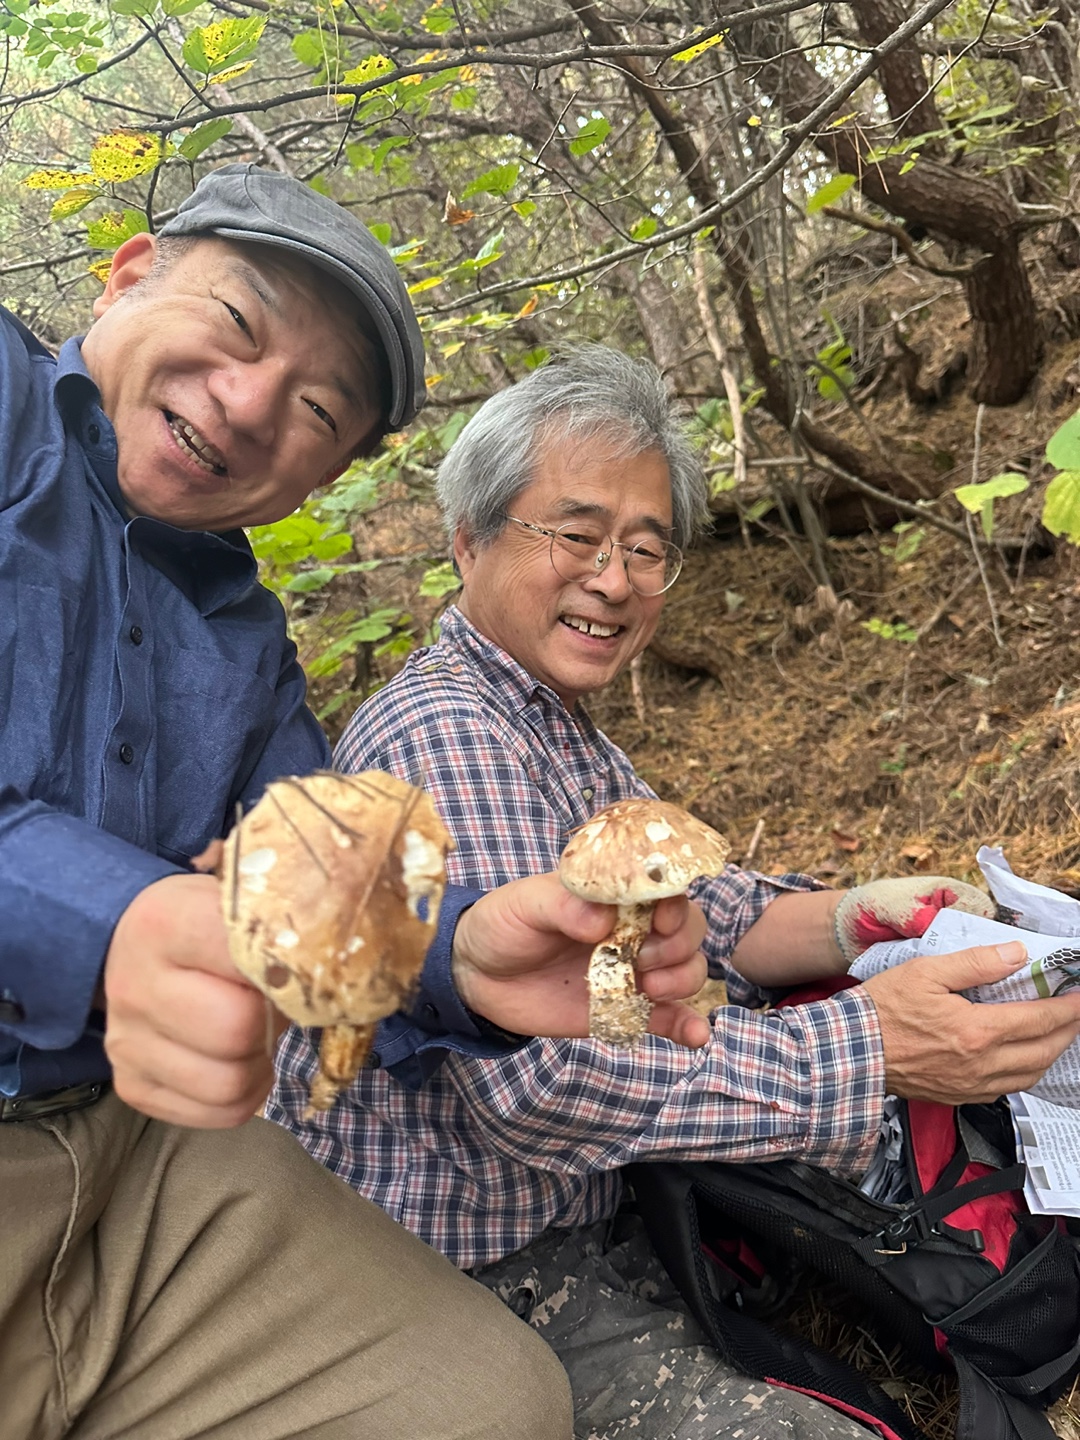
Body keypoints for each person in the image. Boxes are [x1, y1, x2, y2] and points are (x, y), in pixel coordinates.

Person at [0, 171, 709, 1440]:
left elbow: (315, 885)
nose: (250, 402)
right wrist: (106, 921)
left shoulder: (245, 644)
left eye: (318, 410)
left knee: (487, 1401)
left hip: (130, 1157)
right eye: (237, 322)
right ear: (128, 275)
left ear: (324, 477)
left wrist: (464, 950)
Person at [269, 346, 1080, 1440]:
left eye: (646, 549)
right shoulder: (442, 735)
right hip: (472, 1262)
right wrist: (869, 1047)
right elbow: (542, 1089)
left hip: (608, 1200)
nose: (615, 581)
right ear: (468, 539)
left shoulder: (550, 724)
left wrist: (856, 916)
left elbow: (719, 913)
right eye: (577, 536)